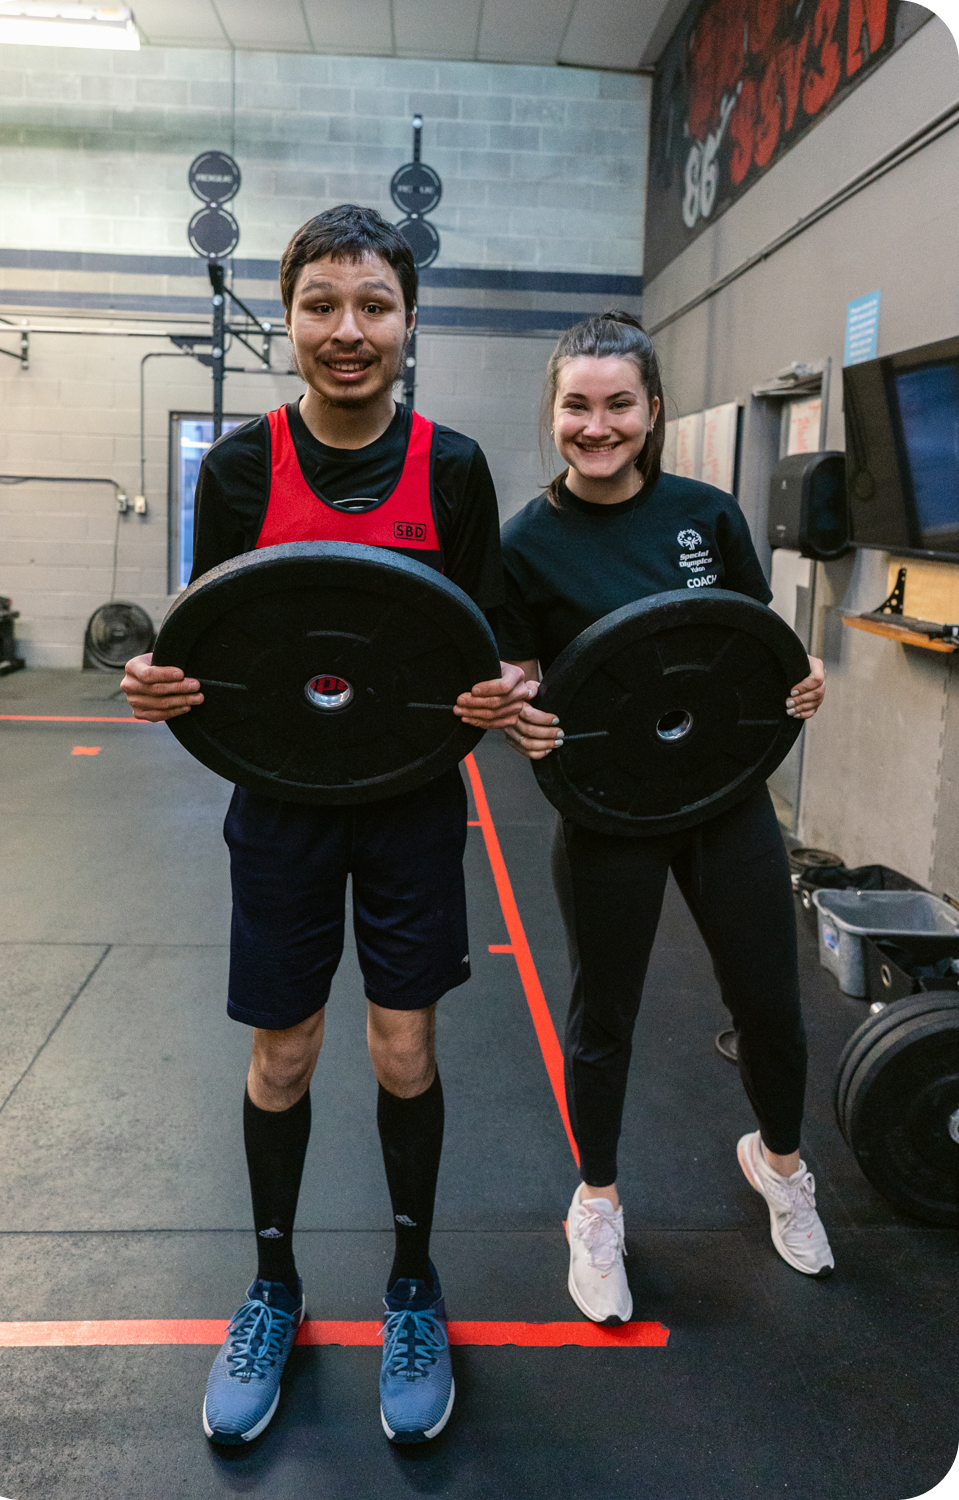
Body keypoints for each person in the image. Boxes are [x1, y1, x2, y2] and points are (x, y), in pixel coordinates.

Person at [121, 205, 529, 1445]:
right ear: (286, 318)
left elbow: (490, 651)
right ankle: (274, 1285)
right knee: (285, 1056)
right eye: (320, 305)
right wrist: (158, 680)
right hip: (284, 810)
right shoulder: (239, 471)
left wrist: (499, 692)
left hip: (409, 806)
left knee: (403, 1052)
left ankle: (412, 1282)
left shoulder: (451, 466)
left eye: (373, 306)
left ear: (407, 322)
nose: (347, 332)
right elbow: (209, 645)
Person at [498, 312, 834, 1327]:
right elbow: (517, 671)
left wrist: (801, 677)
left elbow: (752, 642)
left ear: (650, 413)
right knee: (604, 1017)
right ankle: (594, 1203)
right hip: (606, 808)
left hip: (720, 799)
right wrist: (514, 703)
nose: (594, 427)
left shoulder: (707, 515)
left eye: (617, 406)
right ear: (553, 411)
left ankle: (780, 1167)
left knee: (770, 1003)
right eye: (576, 406)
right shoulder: (527, 543)